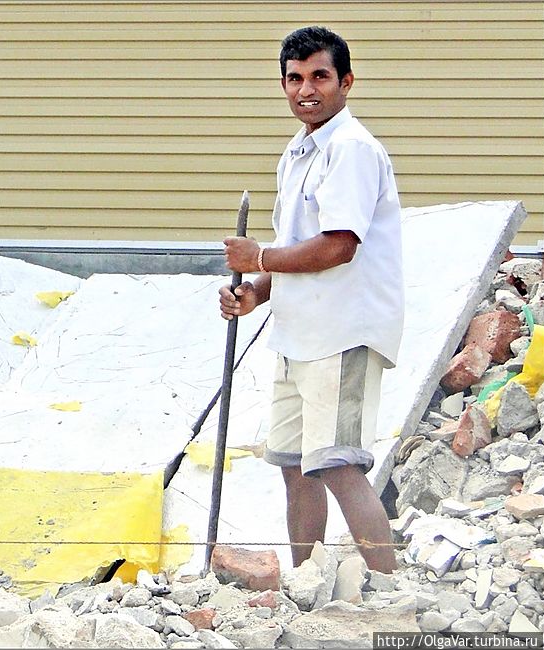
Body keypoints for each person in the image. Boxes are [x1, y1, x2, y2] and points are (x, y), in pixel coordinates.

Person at [219, 26, 403, 572]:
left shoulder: (351, 150)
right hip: (298, 333)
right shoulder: (298, 151)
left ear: (345, 82)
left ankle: (392, 593)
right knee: (296, 466)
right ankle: (306, 584)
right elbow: (293, 246)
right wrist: (255, 293)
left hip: (341, 332)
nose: (307, 89)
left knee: (339, 464)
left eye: (320, 76)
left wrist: (259, 261)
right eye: (295, 78)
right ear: (283, 84)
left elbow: (339, 246)